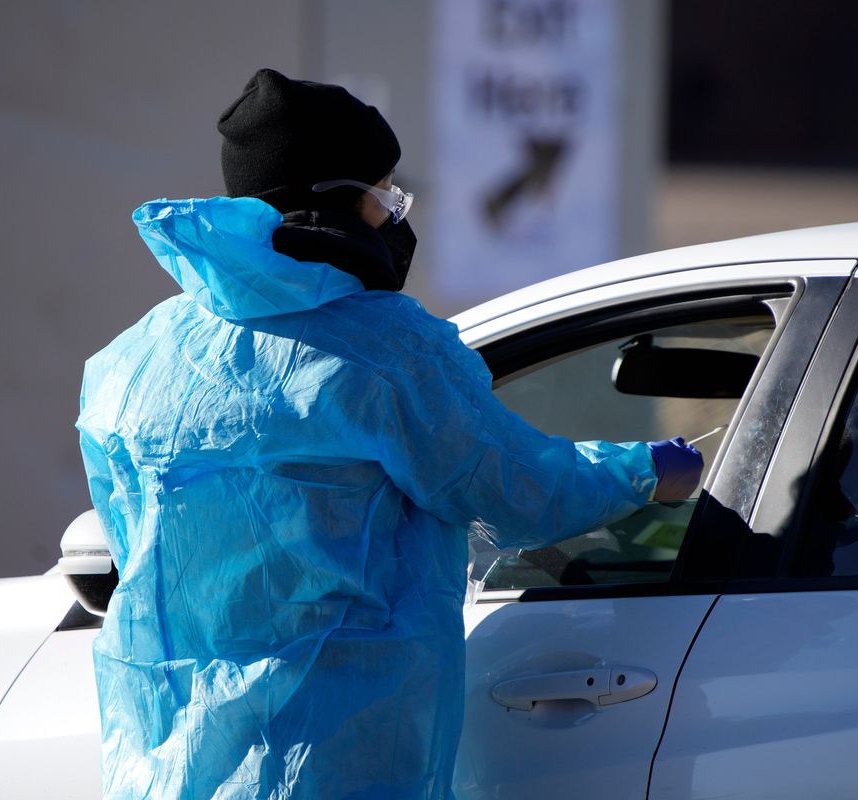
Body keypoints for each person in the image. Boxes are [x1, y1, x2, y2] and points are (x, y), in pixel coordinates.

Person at [77, 68, 703, 800]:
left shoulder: (132, 359)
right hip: (335, 760)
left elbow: (131, 541)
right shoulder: (389, 351)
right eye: (385, 196)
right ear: (335, 201)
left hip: (164, 770)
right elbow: (518, 491)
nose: (394, 217)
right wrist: (646, 471)